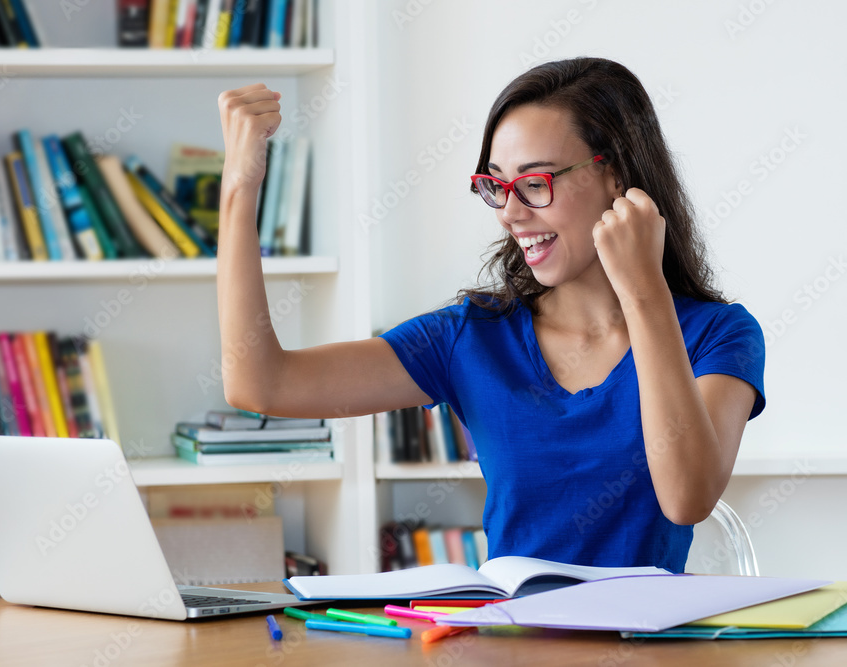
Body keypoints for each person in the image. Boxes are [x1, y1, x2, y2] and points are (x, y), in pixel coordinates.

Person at [215, 57, 765, 574]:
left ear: (616, 176)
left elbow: (687, 498)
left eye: (534, 182)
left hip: (648, 648)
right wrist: (240, 189)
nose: (510, 212)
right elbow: (259, 383)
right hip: (511, 640)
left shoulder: (718, 334)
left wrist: (644, 291)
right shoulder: (471, 338)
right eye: (496, 185)